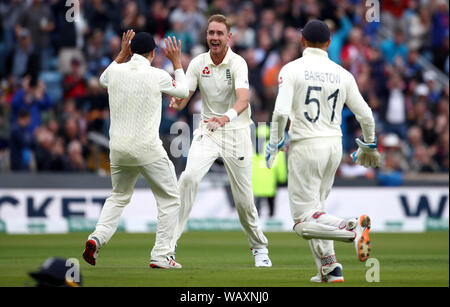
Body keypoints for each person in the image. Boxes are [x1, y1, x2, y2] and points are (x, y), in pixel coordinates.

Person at [265, 20, 381, 283]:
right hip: (333, 147)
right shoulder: (343, 74)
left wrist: (274, 143)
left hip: (306, 146)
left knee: (302, 222)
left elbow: (281, 112)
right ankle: (330, 269)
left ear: (302, 41)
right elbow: (365, 114)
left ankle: (350, 229)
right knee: (317, 211)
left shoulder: (291, 69)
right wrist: (370, 144)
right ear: (328, 44)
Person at [169, 14, 272, 267]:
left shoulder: (237, 63)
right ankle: (167, 247)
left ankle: (259, 248)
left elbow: (243, 100)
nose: (214, 38)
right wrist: (177, 93)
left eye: (219, 33)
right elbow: (184, 96)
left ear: (229, 37)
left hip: (236, 132)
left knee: (244, 199)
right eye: (211, 33)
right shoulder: (197, 63)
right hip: (207, 131)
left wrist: (225, 118)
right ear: (206, 36)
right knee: (189, 178)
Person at [82, 30, 189, 269]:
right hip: (148, 148)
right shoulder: (157, 74)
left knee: (118, 196)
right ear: (152, 53)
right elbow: (182, 91)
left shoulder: (114, 71)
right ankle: (161, 255)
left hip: (118, 150)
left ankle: (96, 238)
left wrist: (121, 54)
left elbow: (102, 80)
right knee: (170, 199)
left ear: (130, 50)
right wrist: (176, 62)